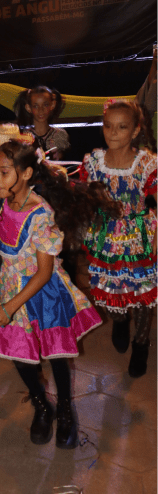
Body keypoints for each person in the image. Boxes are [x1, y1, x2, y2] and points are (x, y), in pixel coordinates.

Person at [0, 133, 119, 448]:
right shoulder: (3, 202)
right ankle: (42, 404)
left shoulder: (41, 215)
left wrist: (9, 307)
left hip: (44, 295)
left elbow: (43, 273)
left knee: (56, 356)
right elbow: (0, 240)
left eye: (4, 172)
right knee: (21, 356)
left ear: (26, 173)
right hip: (13, 289)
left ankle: (65, 409)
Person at [80, 99, 157, 377]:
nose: (113, 132)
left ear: (135, 130)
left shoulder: (146, 164)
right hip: (105, 236)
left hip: (139, 237)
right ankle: (120, 319)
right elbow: (88, 197)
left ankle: (141, 343)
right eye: (108, 126)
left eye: (122, 127)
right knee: (110, 290)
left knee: (142, 294)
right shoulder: (93, 162)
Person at [14, 86, 70, 160]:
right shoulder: (23, 136)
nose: (41, 110)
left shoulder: (60, 135)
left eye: (45, 105)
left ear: (52, 105)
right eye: (35, 106)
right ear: (28, 108)